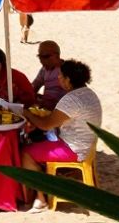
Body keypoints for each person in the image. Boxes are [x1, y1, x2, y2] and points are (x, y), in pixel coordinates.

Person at [19, 59, 102, 211]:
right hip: (85, 145)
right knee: (39, 140)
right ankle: (44, 183)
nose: (58, 78)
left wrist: (27, 113)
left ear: (68, 80)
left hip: (74, 149)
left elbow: (46, 124)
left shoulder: (71, 100)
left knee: (25, 153)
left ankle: (40, 198)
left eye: (61, 76)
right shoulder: (88, 93)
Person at [30, 41, 64, 110]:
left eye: (46, 56)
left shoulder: (67, 71)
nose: (41, 60)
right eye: (40, 57)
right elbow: (34, 87)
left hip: (62, 111)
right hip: (45, 110)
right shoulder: (44, 70)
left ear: (57, 56)